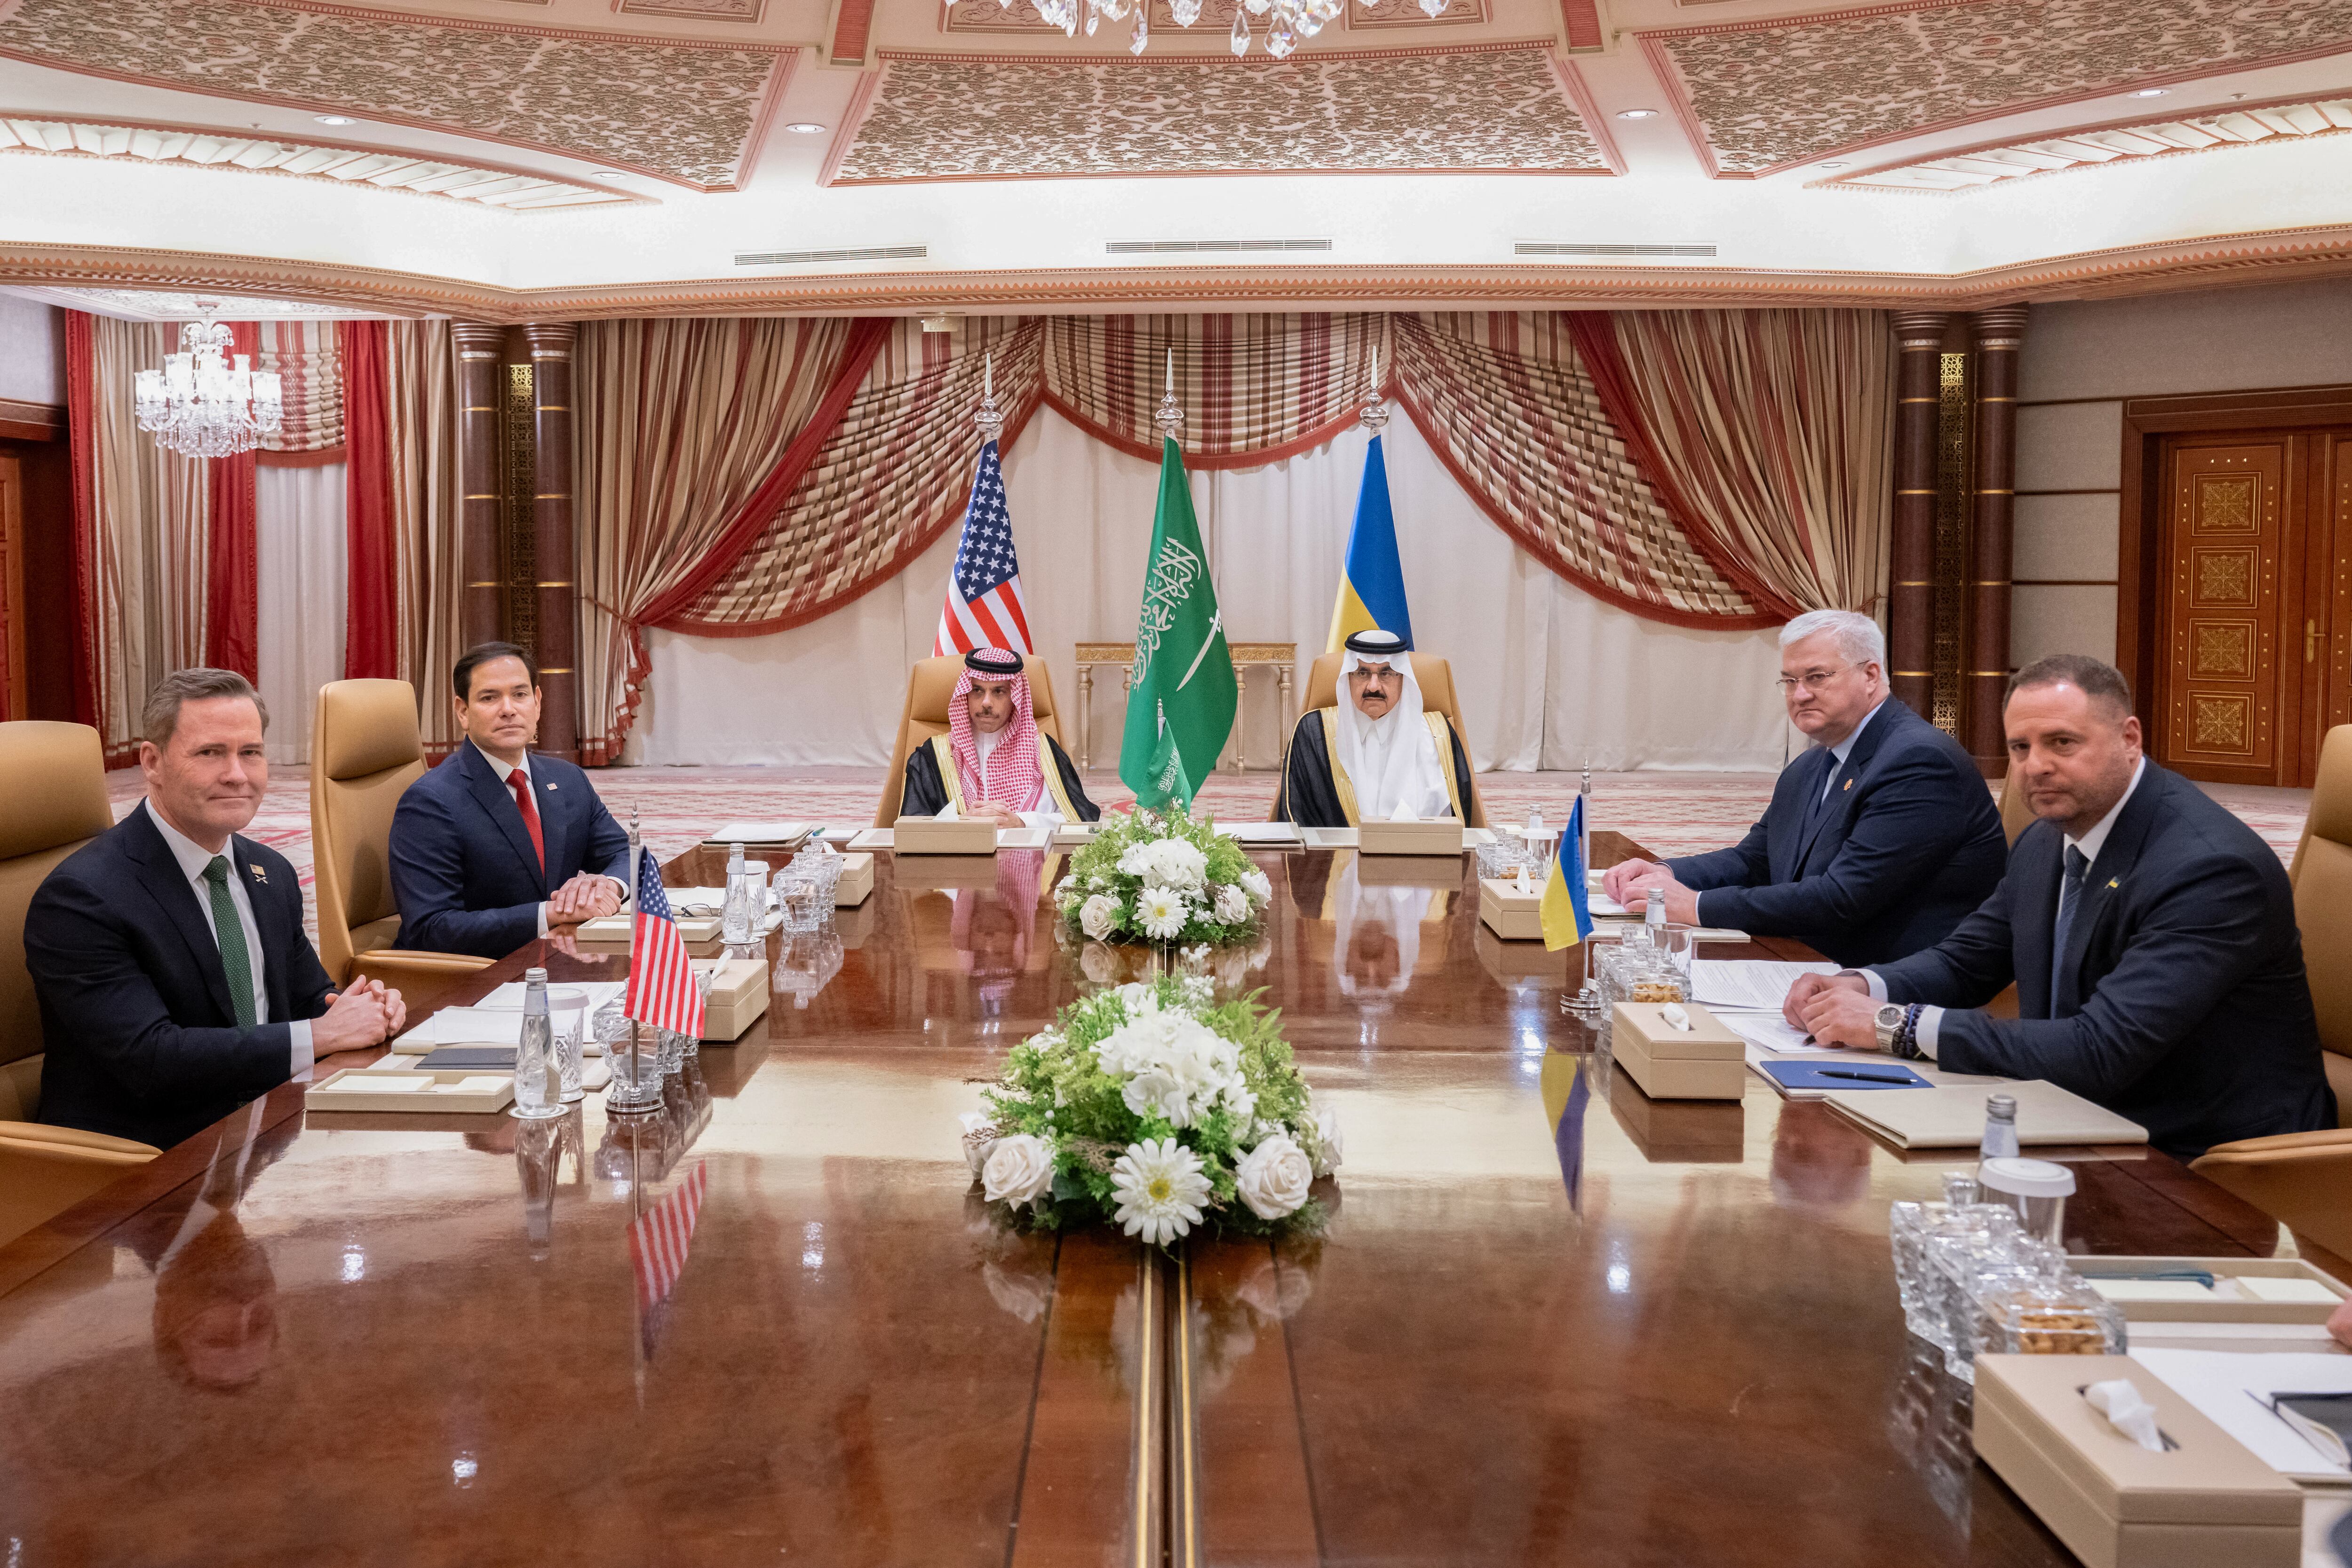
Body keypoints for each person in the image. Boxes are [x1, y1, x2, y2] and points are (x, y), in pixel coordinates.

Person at [1785, 655, 2334, 1161]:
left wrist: (1894, 1024)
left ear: (2129, 738)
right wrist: (1861, 985)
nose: (2035, 766)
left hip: (2198, 1156)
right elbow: (1967, 960)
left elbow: (2100, 1049)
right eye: (2020, 748)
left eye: (2061, 743)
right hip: (2071, 1113)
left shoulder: (2210, 870)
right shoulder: (2048, 837)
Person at [30, 669, 405, 1149]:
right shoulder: (83, 897)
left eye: (251, 753)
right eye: (210, 753)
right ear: (153, 762)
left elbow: (308, 998)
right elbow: (151, 1059)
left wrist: (361, 1009)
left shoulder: (270, 872)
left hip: (267, 1129)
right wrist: (322, 1035)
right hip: (148, 1157)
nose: (237, 774)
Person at [1605, 609, 2004, 968]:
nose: (1800, 695)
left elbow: (1842, 899)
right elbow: (1755, 861)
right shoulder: (1812, 764)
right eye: (1790, 681)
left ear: (1871, 675)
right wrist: (1665, 872)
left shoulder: (1919, 762)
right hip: (1811, 960)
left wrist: (1696, 905)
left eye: (1817, 677)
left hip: (1893, 982)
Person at [389, 642, 634, 960]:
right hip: (474, 974)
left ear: (537, 702)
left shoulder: (568, 778)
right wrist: (553, 913)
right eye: (489, 698)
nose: (508, 709)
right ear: (463, 712)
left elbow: (630, 856)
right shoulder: (430, 802)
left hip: (556, 960)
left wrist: (608, 887)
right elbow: (432, 929)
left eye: (520, 695)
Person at [1276, 629, 1476, 827]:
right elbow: (1297, 819)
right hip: (1337, 849)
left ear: (1403, 679)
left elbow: (1459, 819)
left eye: (1386, 673)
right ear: (1348, 678)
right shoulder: (1314, 732)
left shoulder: (1436, 735)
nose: (1373, 687)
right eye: (1362, 673)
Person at [900, 648, 1098, 825]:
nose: (986, 702)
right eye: (977, 690)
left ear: (1015, 698)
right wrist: (962, 823)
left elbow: (1083, 821)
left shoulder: (1044, 753)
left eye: (999, 692)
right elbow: (911, 828)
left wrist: (1022, 822)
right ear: (965, 695)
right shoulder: (932, 757)